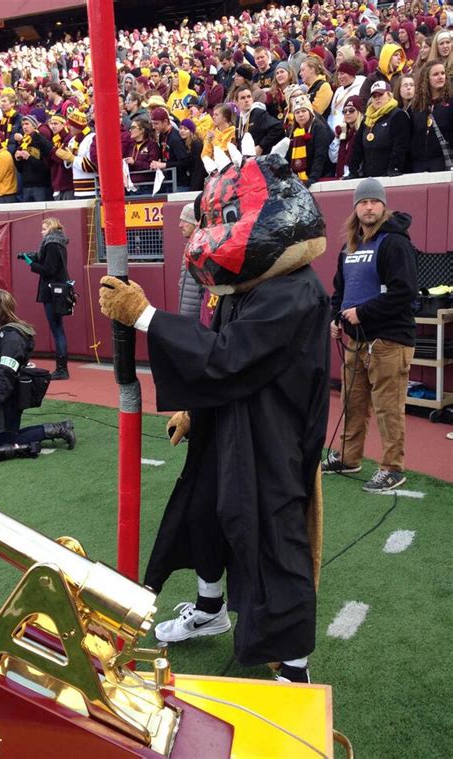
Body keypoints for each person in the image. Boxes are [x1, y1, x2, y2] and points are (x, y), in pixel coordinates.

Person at [99, 147, 330, 684]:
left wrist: (146, 316)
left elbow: (229, 358)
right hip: (227, 426)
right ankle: (209, 608)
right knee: (201, 512)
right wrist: (195, 413)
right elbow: (221, 351)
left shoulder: (293, 291)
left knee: (274, 542)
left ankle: (292, 666)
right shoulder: (246, 287)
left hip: (273, 441)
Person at [321, 178, 418, 492]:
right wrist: (337, 317)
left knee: (388, 407)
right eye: (363, 202)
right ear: (355, 207)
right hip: (356, 341)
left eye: (375, 201)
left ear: (384, 205)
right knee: (353, 402)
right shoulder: (349, 246)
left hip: (389, 340)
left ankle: (392, 467)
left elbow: (404, 292)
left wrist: (363, 313)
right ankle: (349, 457)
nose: (369, 206)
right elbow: (340, 291)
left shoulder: (395, 242)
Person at [0, 289, 75, 462]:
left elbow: (5, 377)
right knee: (3, 439)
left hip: (7, 397)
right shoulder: (3, 334)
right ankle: (59, 428)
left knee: (7, 442)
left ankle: (59, 429)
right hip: (3, 395)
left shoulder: (10, 338)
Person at [19, 217, 71, 381]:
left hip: (53, 292)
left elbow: (49, 269)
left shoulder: (51, 244)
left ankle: (62, 369)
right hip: (57, 291)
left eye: (43, 228)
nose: (41, 232)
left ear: (50, 228)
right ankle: (62, 367)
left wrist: (30, 263)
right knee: (59, 329)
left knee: (57, 330)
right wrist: (31, 256)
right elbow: (47, 261)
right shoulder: (57, 242)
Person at [348, 81, 410, 177]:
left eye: (380, 95)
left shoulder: (398, 115)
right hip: (369, 176)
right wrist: (353, 171)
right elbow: (357, 147)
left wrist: (393, 168)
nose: (377, 98)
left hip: (390, 176)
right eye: (374, 96)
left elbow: (400, 146)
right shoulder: (367, 118)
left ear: (389, 95)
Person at [409, 60, 452, 173]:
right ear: (426, 78)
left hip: (444, 160)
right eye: (435, 74)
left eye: (442, 73)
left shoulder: (451, 101)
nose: (440, 77)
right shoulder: (416, 106)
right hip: (419, 164)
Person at [290, 95, 333, 186]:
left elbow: (320, 155)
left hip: (321, 175)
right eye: (297, 112)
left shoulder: (319, 128)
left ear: (310, 112)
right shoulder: (294, 131)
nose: (301, 115)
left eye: (303, 111)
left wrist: (312, 178)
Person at [234, 87, 285, 155]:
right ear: (236, 102)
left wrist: (261, 146)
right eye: (242, 98)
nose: (246, 100)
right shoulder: (239, 119)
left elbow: (278, 127)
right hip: (246, 160)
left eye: (249, 97)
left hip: (261, 159)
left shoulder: (258, 113)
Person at [329, 95, 365, 178]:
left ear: (359, 112)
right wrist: (337, 138)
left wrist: (348, 175)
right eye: (344, 111)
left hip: (356, 177)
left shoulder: (363, 131)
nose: (347, 113)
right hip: (340, 176)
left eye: (351, 110)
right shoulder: (343, 132)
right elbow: (333, 159)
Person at [177, 203, 203, 317]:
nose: (180, 225)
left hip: (198, 319)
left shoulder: (202, 248)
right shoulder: (191, 246)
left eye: (185, 220)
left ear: (196, 223)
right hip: (188, 316)